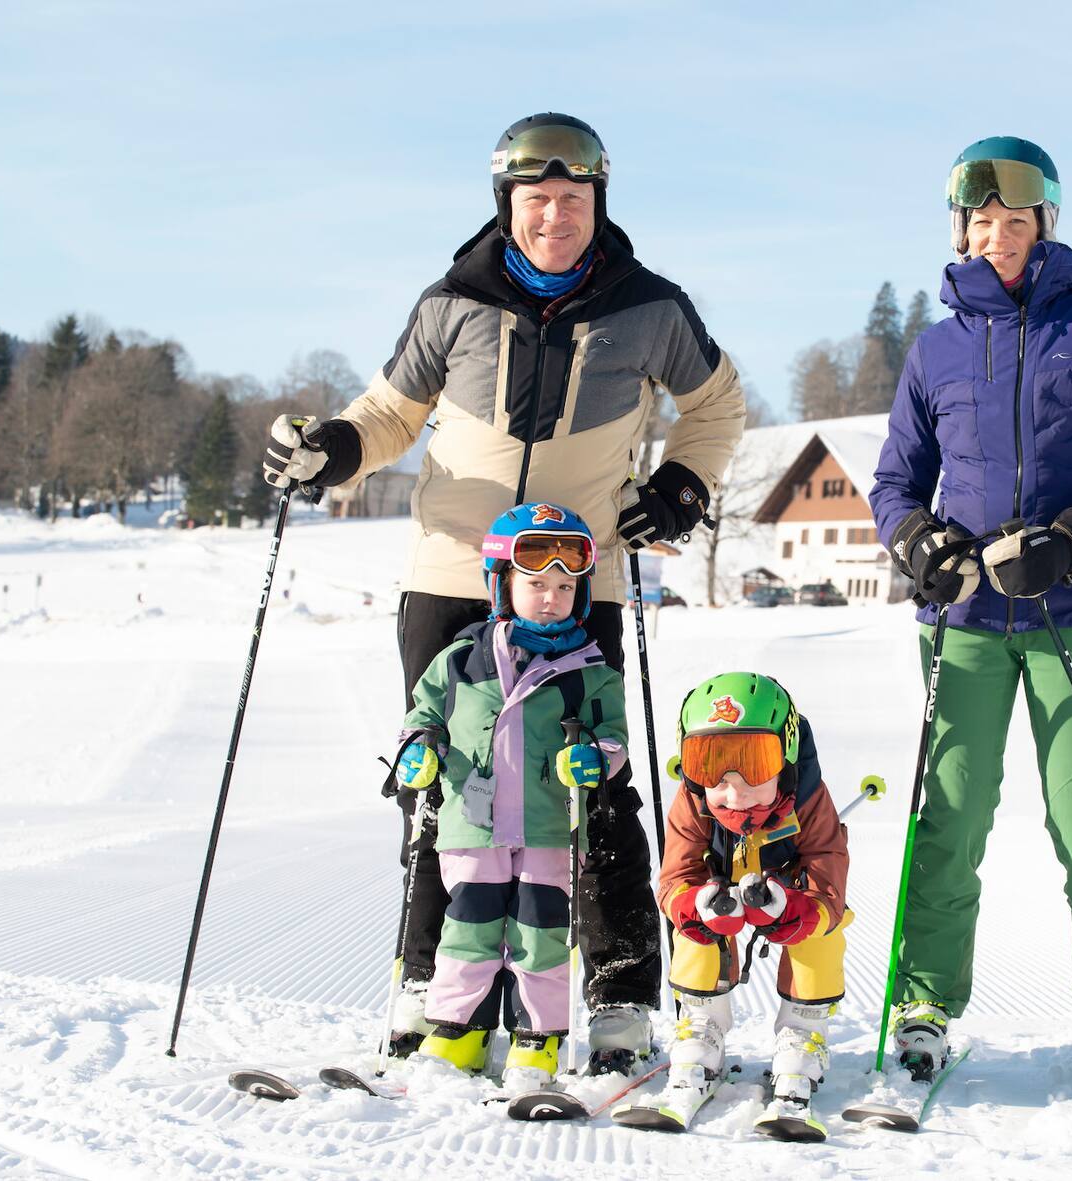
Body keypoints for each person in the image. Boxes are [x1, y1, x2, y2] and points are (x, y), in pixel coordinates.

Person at [261, 113, 747, 1069]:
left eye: (574, 199)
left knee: (593, 784)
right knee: (437, 776)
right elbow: (392, 411)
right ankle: (431, 987)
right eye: (537, 200)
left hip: (580, 573)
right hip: (453, 574)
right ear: (507, 205)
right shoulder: (453, 302)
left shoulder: (651, 305)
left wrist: (683, 486)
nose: (555, 216)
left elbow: (718, 405)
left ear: (598, 201)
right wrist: (334, 452)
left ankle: (613, 995)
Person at [869, 136, 1072, 1092]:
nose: (1000, 236)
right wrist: (917, 539)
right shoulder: (937, 347)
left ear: (1047, 223)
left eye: (1018, 220)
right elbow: (894, 482)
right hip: (963, 622)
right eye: (982, 221)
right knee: (948, 815)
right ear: (960, 230)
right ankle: (925, 1001)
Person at [391, 503, 629, 1090]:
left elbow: (614, 737)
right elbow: (421, 716)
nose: (551, 597)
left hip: (549, 829)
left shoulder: (589, 671)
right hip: (472, 827)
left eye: (565, 586)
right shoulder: (459, 661)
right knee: (466, 932)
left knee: (540, 937)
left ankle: (536, 1044)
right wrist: (417, 748)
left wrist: (595, 759)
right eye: (535, 584)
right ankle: (458, 1033)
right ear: (500, 584)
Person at [647, 673, 849, 1131]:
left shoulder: (809, 799)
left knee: (822, 934)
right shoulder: (695, 801)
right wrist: (696, 906)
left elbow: (828, 877)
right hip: (722, 889)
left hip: (788, 890)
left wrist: (794, 911)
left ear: (788, 757)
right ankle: (703, 1025)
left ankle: (803, 1029)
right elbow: (676, 875)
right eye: (710, 766)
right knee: (694, 929)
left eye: (755, 766)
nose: (734, 793)